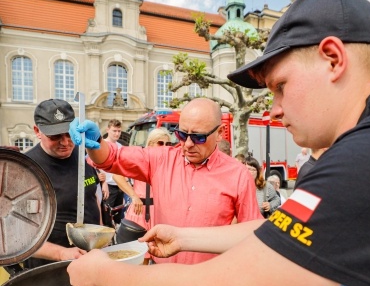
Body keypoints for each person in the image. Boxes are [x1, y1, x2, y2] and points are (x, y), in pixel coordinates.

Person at [67, 0, 370, 286]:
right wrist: (185, 236)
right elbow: (272, 232)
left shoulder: (364, 160)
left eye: (280, 86)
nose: (277, 110)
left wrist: (104, 273)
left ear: (333, 58)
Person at [69, 97, 261, 265]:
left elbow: (251, 234)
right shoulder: (161, 159)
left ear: (219, 133)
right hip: (161, 271)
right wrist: (96, 144)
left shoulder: (237, 174)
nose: (187, 144)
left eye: (199, 138)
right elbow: (114, 157)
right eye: (182, 134)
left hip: (208, 277)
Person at [25, 99, 101, 268]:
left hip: (90, 260)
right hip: (48, 268)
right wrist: (61, 253)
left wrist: (101, 235)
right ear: (37, 131)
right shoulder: (26, 170)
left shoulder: (83, 156)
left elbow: (92, 197)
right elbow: (19, 236)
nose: (65, 142)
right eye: (55, 136)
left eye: (69, 134)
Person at [113, 128, 172, 234]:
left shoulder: (169, 162)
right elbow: (117, 176)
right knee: (137, 247)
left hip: (160, 213)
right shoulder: (141, 158)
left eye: (167, 143)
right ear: (150, 144)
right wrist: (134, 196)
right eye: (160, 143)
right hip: (139, 211)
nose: (164, 147)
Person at [100, 119, 125, 227]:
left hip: (120, 185)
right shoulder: (102, 145)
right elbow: (96, 165)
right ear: (108, 130)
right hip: (108, 186)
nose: (117, 133)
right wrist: (103, 182)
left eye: (119, 131)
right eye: (114, 131)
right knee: (107, 216)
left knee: (118, 216)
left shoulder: (121, 146)